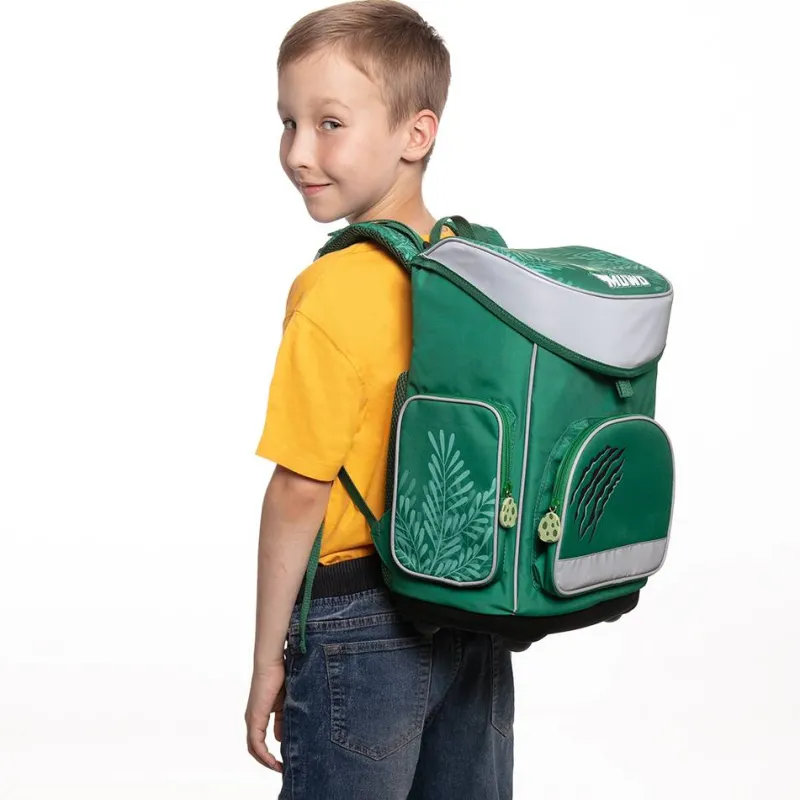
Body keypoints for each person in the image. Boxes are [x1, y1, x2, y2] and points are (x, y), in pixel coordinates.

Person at [244, 2, 514, 797]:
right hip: (473, 604)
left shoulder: (334, 288)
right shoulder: (477, 268)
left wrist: (267, 659)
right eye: (288, 122)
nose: (299, 151)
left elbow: (300, 488)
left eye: (329, 124)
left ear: (415, 133)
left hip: (359, 621)